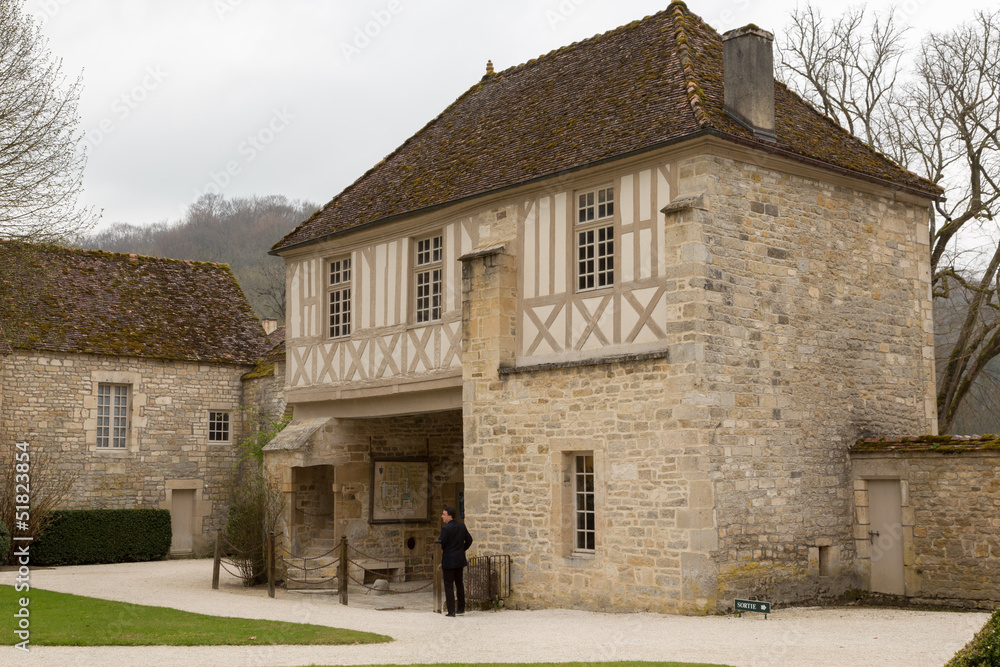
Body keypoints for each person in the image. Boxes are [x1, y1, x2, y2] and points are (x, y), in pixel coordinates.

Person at [438, 506, 473, 617]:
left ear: (450, 516)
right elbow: (469, 540)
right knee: (459, 584)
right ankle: (461, 608)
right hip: (459, 559)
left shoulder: (446, 529)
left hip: (449, 560)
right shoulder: (461, 526)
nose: (442, 516)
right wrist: (462, 549)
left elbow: (441, 544)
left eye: (444, 514)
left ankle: (451, 611)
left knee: (448, 586)